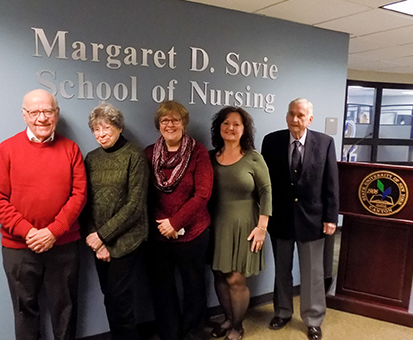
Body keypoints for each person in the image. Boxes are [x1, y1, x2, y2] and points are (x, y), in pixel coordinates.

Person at [0, 89, 86, 340]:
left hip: (63, 245)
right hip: (19, 248)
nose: (42, 118)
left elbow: (79, 195)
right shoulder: (6, 149)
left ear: (57, 114)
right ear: (24, 115)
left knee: (66, 309)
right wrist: (28, 232)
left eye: (48, 111)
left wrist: (53, 231)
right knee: (24, 310)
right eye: (35, 112)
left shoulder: (71, 149)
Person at [261, 98, 339, 340]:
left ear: (310, 119)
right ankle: (283, 311)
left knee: (313, 273)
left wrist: (331, 217)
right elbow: (265, 183)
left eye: (300, 116)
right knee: (282, 271)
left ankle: (313, 319)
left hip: (313, 220)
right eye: (291, 114)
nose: (295, 119)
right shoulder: (271, 141)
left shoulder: (325, 143)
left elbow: (331, 182)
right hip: (281, 219)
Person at [145, 100, 213, 340]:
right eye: (165, 120)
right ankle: (170, 333)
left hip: (193, 233)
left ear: (184, 123)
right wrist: (163, 223)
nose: (170, 124)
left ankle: (194, 332)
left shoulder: (198, 152)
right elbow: (145, 194)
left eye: (175, 119)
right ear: (158, 125)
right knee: (162, 288)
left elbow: (203, 194)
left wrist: (176, 222)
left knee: (194, 286)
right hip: (159, 234)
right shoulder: (149, 153)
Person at [81, 102, 149, 340]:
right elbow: (84, 201)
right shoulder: (91, 158)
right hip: (97, 240)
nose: (101, 134)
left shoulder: (135, 156)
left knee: (119, 298)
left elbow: (135, 205)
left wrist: (103, 237)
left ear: (119, 128)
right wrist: (96, 240)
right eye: (96, 130)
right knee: (109, 295)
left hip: (128, 240)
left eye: (106, 128)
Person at [209, 107, 272, 340]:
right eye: (226, 123)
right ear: (219, 128)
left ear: (244, 129)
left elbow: (266, 191)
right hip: (216, 224)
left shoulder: (254, 157)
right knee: (219, 274)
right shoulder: (209, 157)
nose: (231, 128)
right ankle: (226, 318)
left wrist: (262, 227)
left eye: (236, 124)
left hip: (246, 225)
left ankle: (237, 325)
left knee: (236, 278)